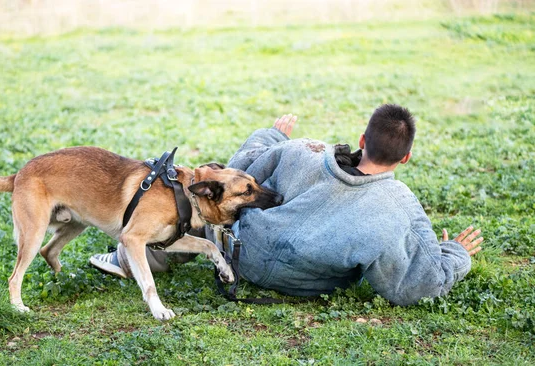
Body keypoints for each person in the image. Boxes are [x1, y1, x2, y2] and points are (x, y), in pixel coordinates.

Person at [90, 104, 483, 305]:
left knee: (208, 207)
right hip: (303, 284)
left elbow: (240, 167)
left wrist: (272, 137)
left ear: (362, 139)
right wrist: (455, 254)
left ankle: (132, 256)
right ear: (406, 158)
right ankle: (138, 253)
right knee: (212, 205)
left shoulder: (303, 151)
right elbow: (419, 284)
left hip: (240, 254)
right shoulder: (398, 206)